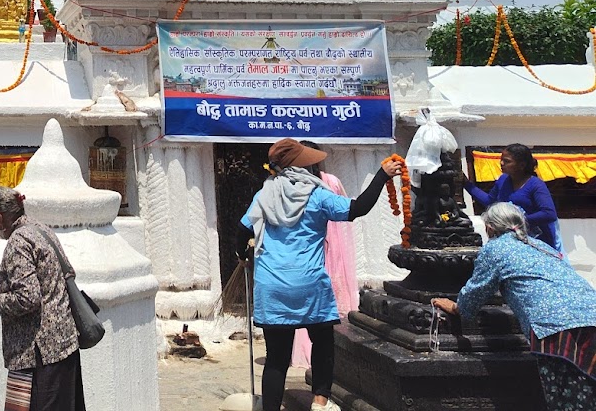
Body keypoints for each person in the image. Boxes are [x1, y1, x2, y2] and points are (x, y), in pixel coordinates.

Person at [242, 138, 400, 411]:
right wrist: (382, 176)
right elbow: (357, 208)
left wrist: (243, 256)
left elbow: (242, 231)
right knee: (323, 342)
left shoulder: (264, 195)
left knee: (276, 358)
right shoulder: (317, 195)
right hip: (309, 283)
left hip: (272, 285)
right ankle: (320, 401)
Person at [433, 203, 596, 410]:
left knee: (569, 398)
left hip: (554, 326)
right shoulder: (541, 246)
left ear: (490, 228)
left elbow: (476, 291)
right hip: (590, 313)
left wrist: (458, 308)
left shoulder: (494, 249)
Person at [0, 185, 85, 411]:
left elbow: (28, 297)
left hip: (39, 354)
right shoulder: (41, 230)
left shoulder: (18, 243)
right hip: (63, 344)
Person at [291, 141, 358, 370]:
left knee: (312, 300)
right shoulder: (331, 181)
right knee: (332, 298)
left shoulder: (294, 186)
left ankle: (312, 350)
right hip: (332, 244)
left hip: (311, 245)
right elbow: (347, 207)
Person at [463, 143, 561, 250]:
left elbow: (549, 214)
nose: (501, 163)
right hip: (510, 241)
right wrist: (466, 184)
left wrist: (517, 221)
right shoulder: (503, 180)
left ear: (521, 165)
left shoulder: (536, 185)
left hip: (536, 242)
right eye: (501, 160)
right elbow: (489, 202)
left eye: (507, 161)